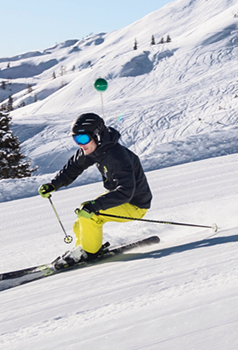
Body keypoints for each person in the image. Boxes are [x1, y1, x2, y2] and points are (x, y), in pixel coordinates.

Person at [38, 113, 152, 268]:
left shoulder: (117, 156)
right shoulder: (95, 149)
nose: (80, 144)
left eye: (83, 139)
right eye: (76, 139)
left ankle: (90, 252)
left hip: (134, 204)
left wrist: (95, 205)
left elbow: (126, 191)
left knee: (91, 215)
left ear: (97, 136)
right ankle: (81, 249)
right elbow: (74, 167)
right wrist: (53, 185)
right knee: (80, 220)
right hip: (118, 198)